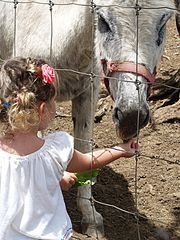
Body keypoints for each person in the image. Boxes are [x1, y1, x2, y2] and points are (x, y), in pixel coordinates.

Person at [0, 57, 139, 240]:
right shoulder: (55, 152)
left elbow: (19, 180)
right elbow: (89, 161)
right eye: (53, 101)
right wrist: (121, 150)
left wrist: (54, 175)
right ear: (42, 110)